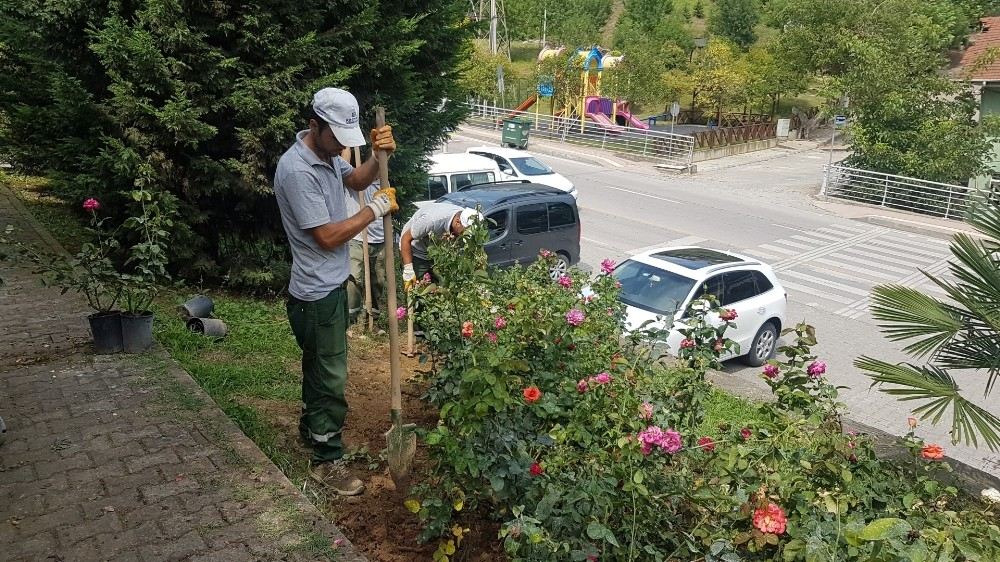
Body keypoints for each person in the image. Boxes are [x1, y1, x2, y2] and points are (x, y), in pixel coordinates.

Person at [273, 87, 398, 496]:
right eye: (338, 140)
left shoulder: (326, 157)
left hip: (327, 289)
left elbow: (357, 179)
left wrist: (382, 156)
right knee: (331, 379)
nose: (344, 149)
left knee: (317, 368)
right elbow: (327, 236)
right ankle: (327, 460)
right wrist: (373, 210)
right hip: (316, 295)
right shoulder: (298, 171)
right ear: (314, 125)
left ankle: (313, 433)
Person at [343, 150, 386, 325]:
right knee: (354, 278)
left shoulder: (384, 183)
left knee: (379, 280)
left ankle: (372, 320)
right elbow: (342, 163)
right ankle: (350, 319)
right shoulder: (356, 180)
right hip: (357, 239)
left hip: (379, 239)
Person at [399, 202, 483, 289]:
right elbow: (405, 239)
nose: (463, 236)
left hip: (438, 253)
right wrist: (408, 270)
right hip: (416, 249)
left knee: (442, 288)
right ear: (458, 222)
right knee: (416, 288)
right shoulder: (432, 221)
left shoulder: (466, 219)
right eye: (463, 233)